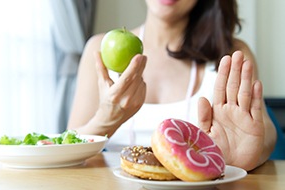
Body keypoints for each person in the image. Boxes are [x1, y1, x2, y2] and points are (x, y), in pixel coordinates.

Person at [67, 0, 276, 171]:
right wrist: (105, 120)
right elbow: (68, 148)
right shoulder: (99, 48)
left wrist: (247, 155)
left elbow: (263, 132)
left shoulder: (230, 54)